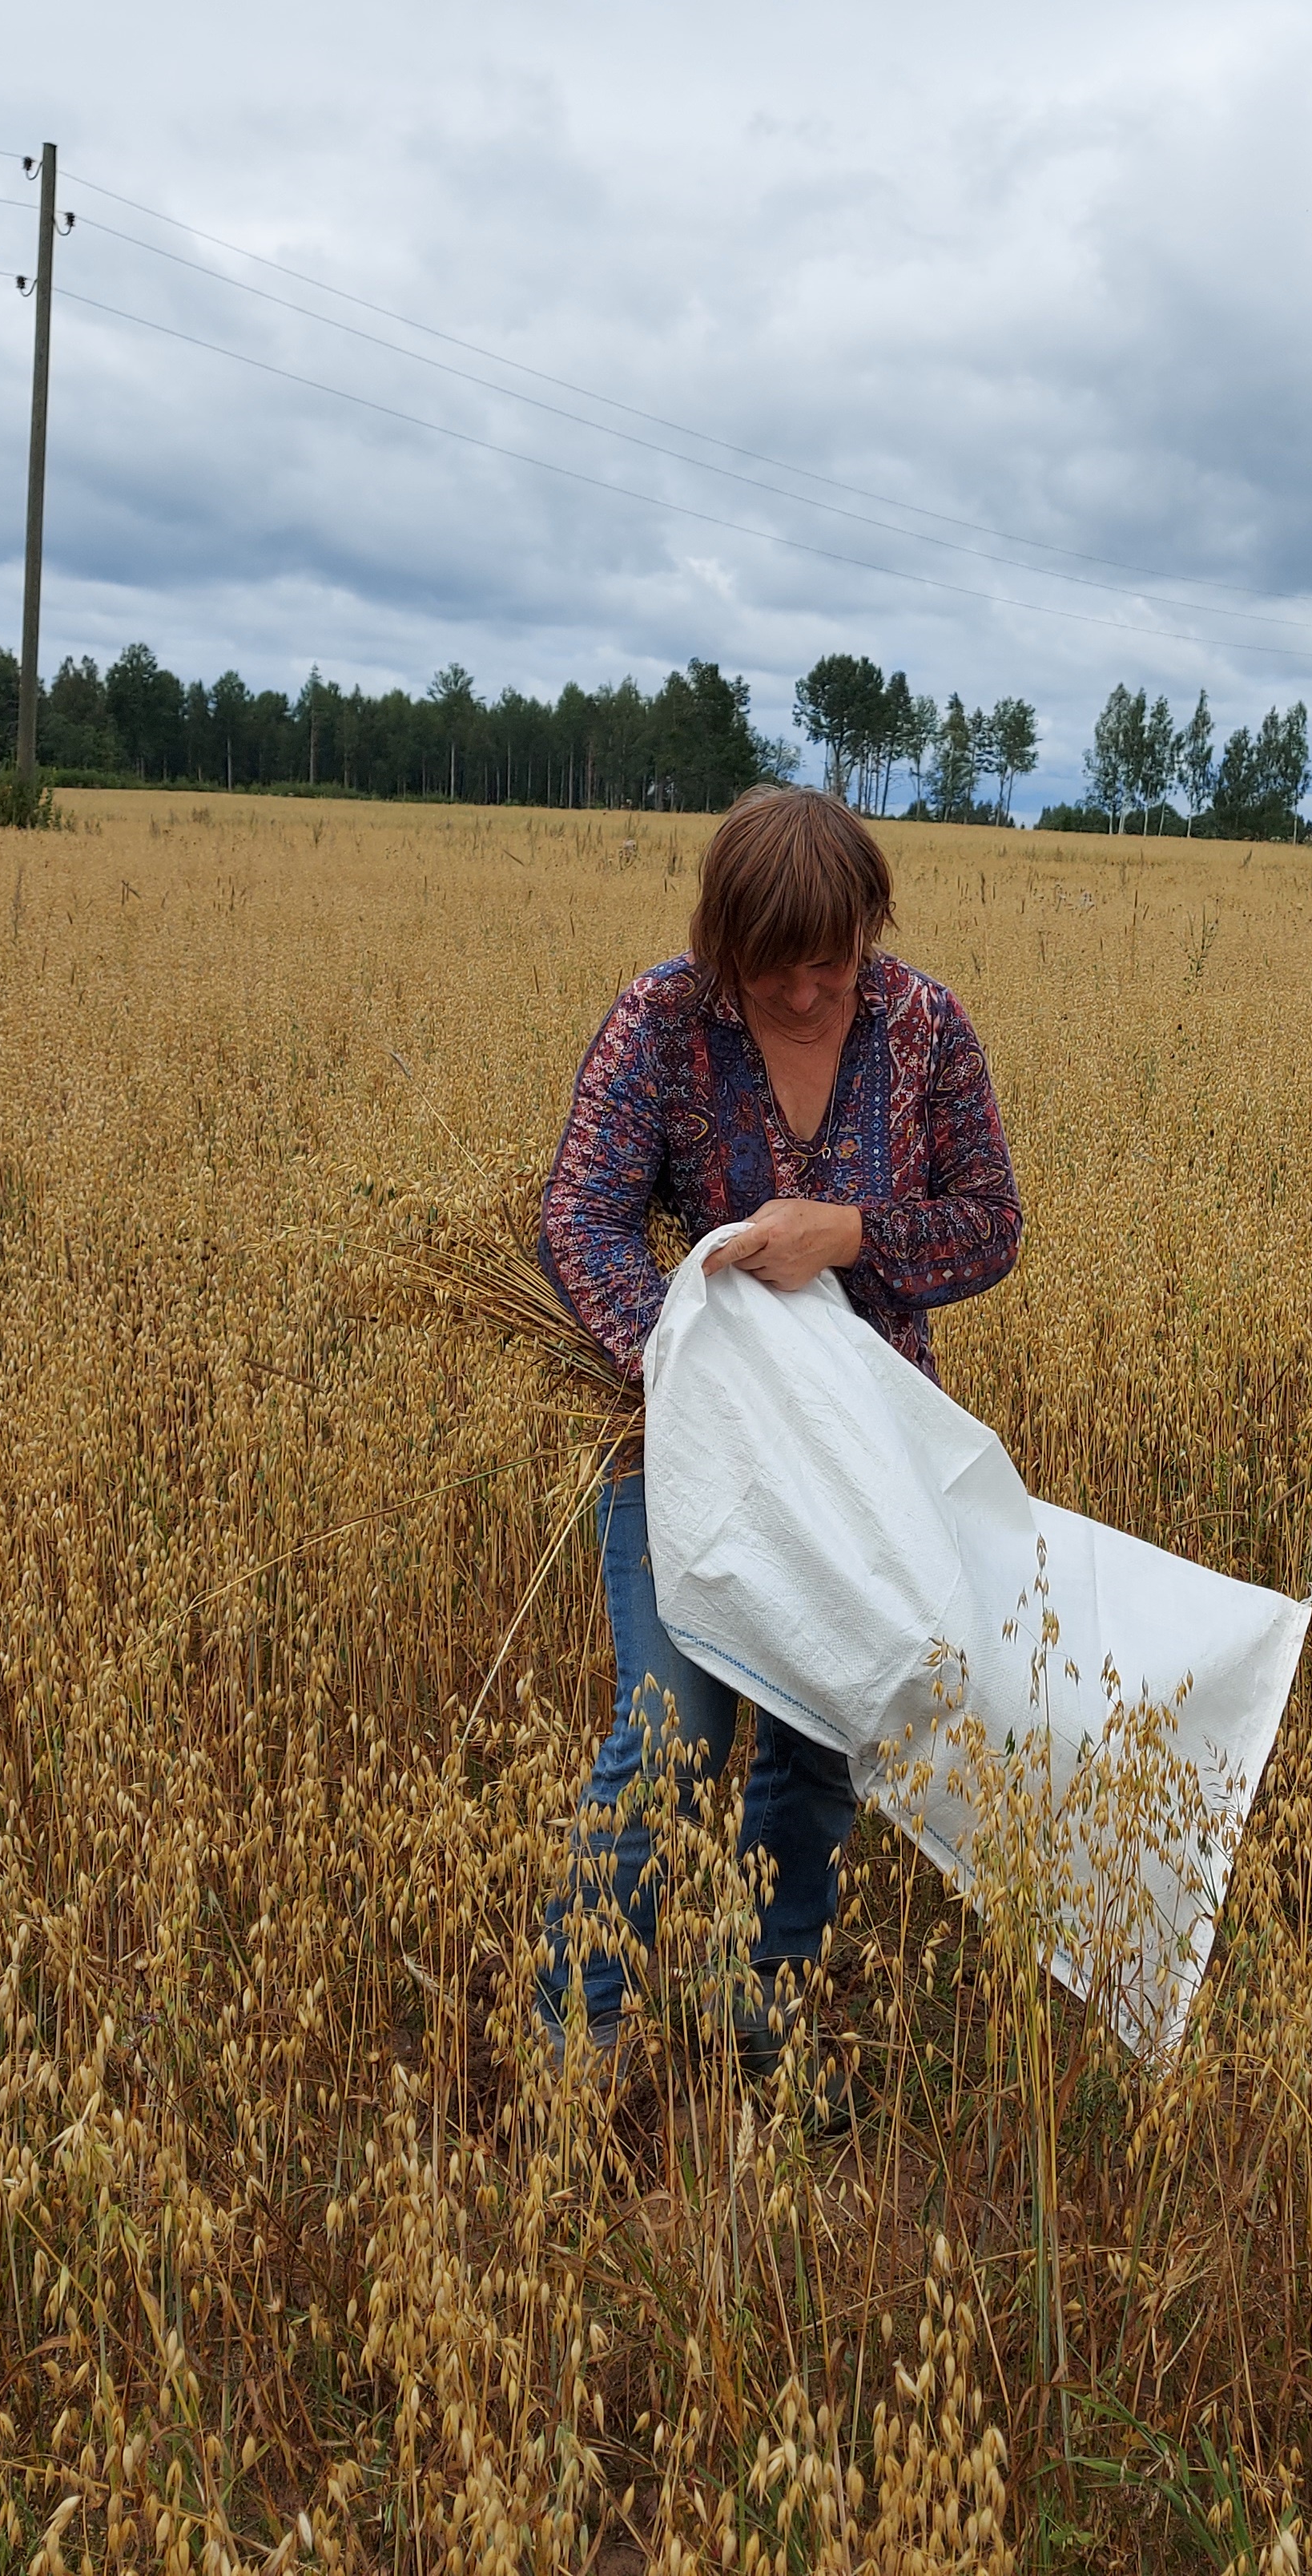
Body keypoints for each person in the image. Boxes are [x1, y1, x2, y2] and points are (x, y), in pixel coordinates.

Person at [533, 784, 1022, 2091]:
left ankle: (761, 2009)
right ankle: (572, 2046)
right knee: (668, 1739)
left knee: (825, 1747)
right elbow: (575, 1217)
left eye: (833, 961)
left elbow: (991, 1224)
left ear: (870, 929)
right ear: (720, 941)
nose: (808, 995)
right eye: (773, 968)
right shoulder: (661, 1022)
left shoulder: (923, 1026)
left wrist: (847, 1234)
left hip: (869, 1468)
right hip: (685, 1454)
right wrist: (692, 1369)